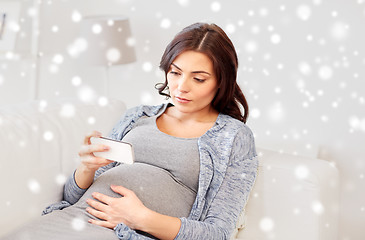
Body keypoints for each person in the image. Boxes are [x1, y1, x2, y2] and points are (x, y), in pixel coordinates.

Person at [1, 22, 258, 240]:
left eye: (198, 78)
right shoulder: (138, 115)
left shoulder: (233, 137)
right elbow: (70, 196)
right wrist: (87, 168)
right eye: (175, 72)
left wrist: (141, 218)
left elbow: (217, 232)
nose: (181, 86)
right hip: (69, 220)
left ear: (222, 81)